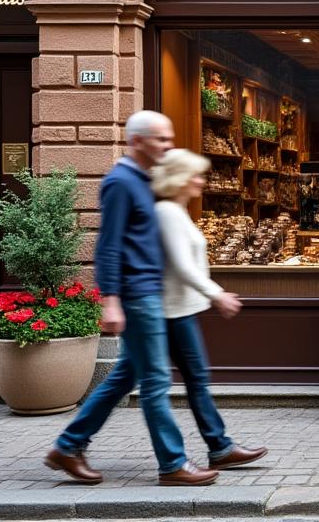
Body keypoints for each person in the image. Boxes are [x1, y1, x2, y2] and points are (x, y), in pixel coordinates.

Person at [45, 111, 218, 487]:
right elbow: (107, 247)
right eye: (161, 140)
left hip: (150, 292)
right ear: (137, 141)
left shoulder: (145, 181)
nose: (168, 146)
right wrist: (110, 299)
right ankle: (172, 464)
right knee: (156, 381)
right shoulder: (121, 182)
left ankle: (68, 445)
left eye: (170, 139)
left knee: (126, 376)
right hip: (138, 295)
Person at [151, 148, 267, 470]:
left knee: (188, 378)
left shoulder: (177, 210)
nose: (203, 181)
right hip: (173, 311)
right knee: (194, 378)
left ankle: (219, 446)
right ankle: (218, 447)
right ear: (179, 179)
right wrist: (216, 294)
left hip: (178, 309)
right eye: (196, 175)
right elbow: (182, 265)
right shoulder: (169, 213)